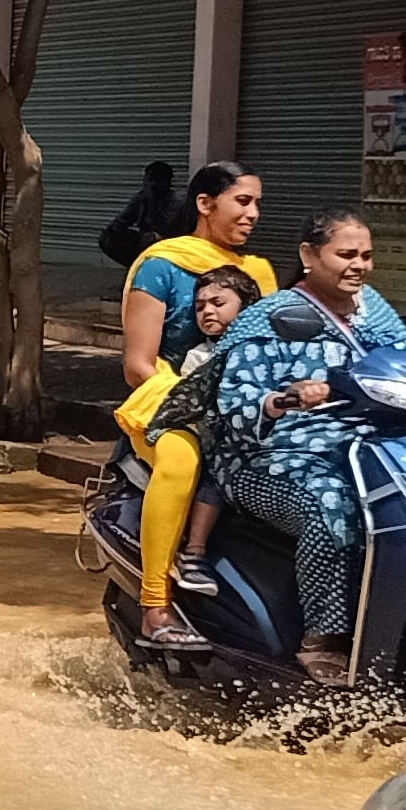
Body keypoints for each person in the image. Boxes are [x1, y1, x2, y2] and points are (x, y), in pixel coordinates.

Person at [204, 209, 406, 686]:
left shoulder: (374, 310)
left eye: (366, 255)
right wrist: (282, 398)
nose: (359, 265)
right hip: (264, 456)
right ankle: (324, 637)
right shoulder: (266, 320)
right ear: (308, 256)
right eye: (345, 254)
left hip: (362, 448)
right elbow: (234, 403)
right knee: (330, 505)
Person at [112, 162, 276, 650]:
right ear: (206, 205)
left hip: (245, 404)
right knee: (183, 463)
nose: (253, 215)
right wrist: (197, 404)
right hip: (170, 405)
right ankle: (156, 607)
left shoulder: (260, 273)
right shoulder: (161, 265)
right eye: (242, 202)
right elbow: (138, 365)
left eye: (257, 204)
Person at [100, 159, 189, 265]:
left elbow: (182, 233)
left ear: (168, 182)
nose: (153, 185)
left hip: (169, 246)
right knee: (106, 237)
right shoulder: (141, 199)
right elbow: (120, 222)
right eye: (149, 180)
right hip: (144, 242)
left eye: (158, 181)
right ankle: (136, 265)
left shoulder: (178, 203)